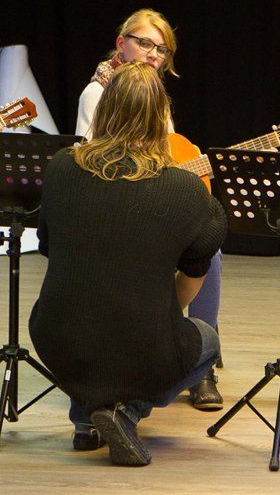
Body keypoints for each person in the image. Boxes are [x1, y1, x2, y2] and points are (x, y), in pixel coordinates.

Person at [30, 62, 227, 466]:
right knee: (206, 340)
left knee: (92, 336)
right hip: (142, 347)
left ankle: (85, 419)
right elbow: (194, 278)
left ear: (104, 110)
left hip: (55, 337)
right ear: (160, 118)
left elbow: (50, 249)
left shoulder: (61, 168)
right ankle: (125, 412)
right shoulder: (186, 190)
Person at [76, 9, 224, 410]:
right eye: (144, 43)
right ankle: (159, 343)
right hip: (117, 206)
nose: (153, 54)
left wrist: (188, 168)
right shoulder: (97, 94)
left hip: (154, 202)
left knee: (209, 249)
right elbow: (93, 158)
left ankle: (195, 359)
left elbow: (167, 156)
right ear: (121, 43)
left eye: (162, 50)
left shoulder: (159, 100)